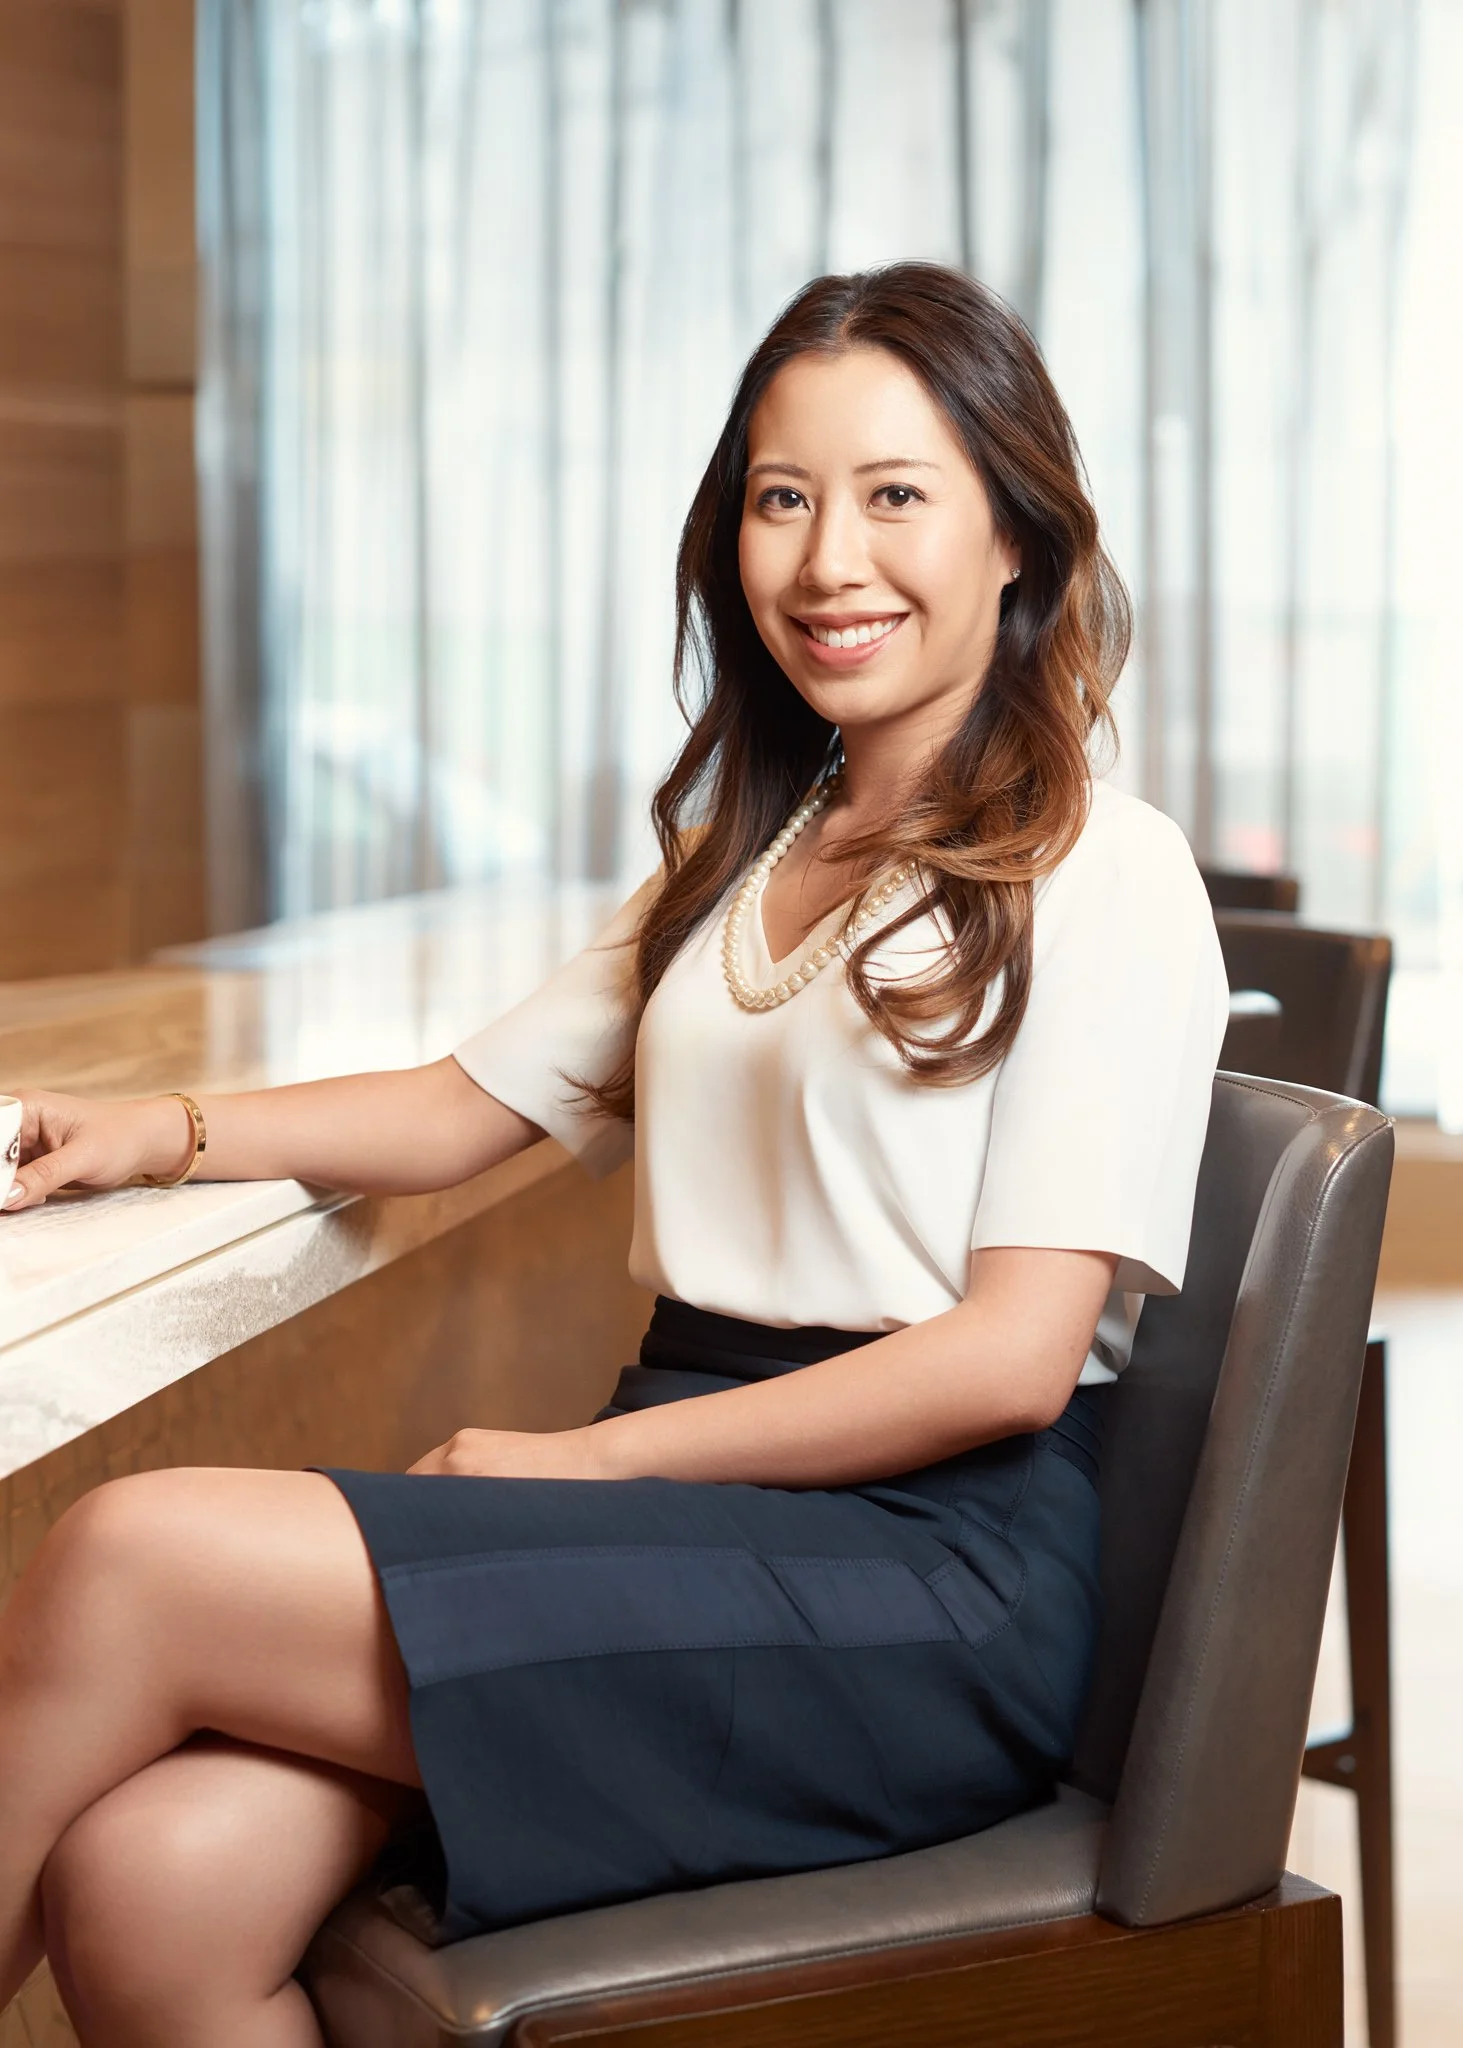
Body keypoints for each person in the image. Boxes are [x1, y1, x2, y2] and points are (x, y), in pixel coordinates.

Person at [0, 262, 1228, 2047]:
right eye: (779, 498)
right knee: (153, 1884)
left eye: (897, 496)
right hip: (709, 1511)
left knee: (127, 1557)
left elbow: (1010, 1359)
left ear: (1018, 540)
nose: (827, 560)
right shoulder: (751, 852)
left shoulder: (1101, 867)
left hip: (922, 1581)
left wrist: (586, 1472)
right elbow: (454, 1110)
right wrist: (150, 1132)